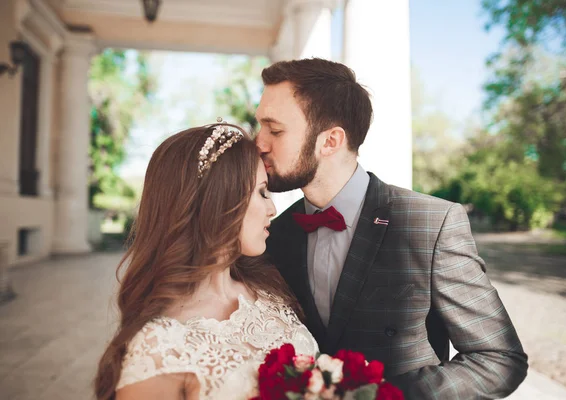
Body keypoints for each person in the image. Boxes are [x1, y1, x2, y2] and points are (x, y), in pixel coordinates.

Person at [257, 58, 528, 399]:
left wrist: (386, 395)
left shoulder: (432, 224)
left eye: (275, 130)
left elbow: (500, 359)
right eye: (260, 127)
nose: (259, 142)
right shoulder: (275, 234)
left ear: (331, 141)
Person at [94, 124, 318, 400]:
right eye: (261, 192)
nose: (272, 209)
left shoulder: (271, 291)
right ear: (220, 200)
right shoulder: (160, 348)